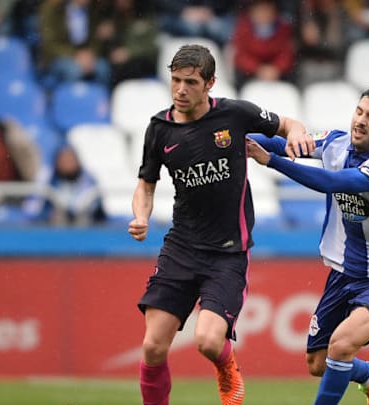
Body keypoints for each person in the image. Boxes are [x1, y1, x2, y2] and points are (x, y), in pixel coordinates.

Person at [127, 44, 314, 405]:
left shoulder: (235, 114)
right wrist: (141, 215)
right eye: (176, 80)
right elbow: (145, 185)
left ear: (210, 83)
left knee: (208, 342)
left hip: (227, 254)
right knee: (152, 347)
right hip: (181, 247)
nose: (181, 89)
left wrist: (295, 133)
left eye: (191, 82)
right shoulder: (159, 129)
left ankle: (228, 368)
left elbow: (289, 123)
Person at [246, 82, 369, 405]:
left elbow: (335, 182)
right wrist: (228, 137)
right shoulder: (336, 142)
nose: (361, 121)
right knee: (317, 362)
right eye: (359, 112)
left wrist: (270, 161)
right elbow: (284, 142)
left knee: (340, 346)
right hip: (345, 272)